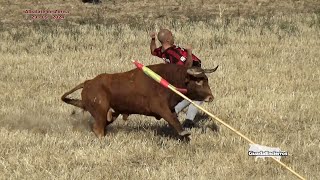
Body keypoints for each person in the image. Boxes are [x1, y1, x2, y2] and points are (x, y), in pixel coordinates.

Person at [149, 28, 203, 129]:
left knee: (191, 96)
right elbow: (185, 66)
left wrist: (153, 39)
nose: (173, 36)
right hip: (190, 74)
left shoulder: (163, 51)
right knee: (198, 96)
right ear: (168, 40)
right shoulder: (174, 53)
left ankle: (177, 113)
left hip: (183, 75)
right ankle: (183, 118)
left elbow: (153, 51)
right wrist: (190, 53)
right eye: (171, 35)